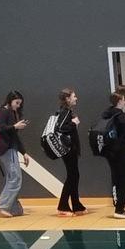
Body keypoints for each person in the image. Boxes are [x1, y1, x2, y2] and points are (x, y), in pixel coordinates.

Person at [97, 91, 125, 220]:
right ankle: (120, 209)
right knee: (124, 180)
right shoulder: (122, 117)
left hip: (109, 152)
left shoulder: (106, 114)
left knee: (115, 178)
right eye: (124, 99)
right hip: (121, 152)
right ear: (120, 101)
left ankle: (117, 205)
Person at [0, 91, 30, 217]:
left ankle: (15, 208)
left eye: (20, 104)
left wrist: (24, 152)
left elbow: (14, 136)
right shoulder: (4, 111)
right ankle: (3, 205)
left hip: (9, 149)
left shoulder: (9, 112)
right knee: (15, 178)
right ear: (10, 100)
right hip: (7, 149)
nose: (18, 106)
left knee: (12, 178)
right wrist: (15, 126)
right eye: (17, 103)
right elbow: (1, 128)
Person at [51, 89, 85, 218]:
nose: (76, 98)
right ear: (67, 99)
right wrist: (73, 123)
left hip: (70, 149)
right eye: (74, 96)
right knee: (72, 176)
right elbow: (60, 127)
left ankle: (76, 205)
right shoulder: (65, 112)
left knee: (74, 175)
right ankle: (63, 205)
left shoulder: (65, 111)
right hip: (68, 149)